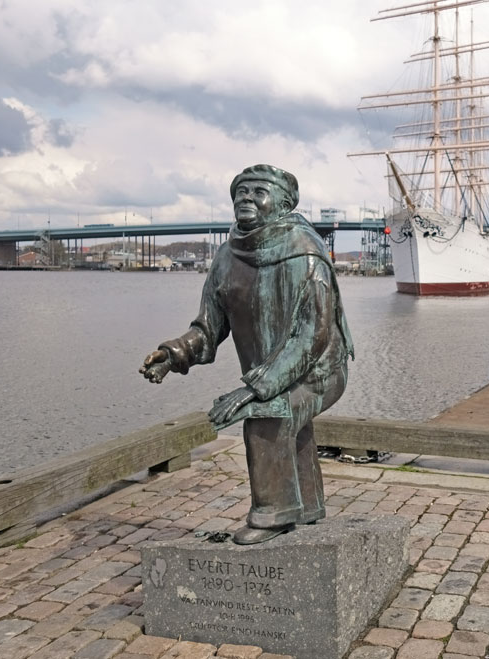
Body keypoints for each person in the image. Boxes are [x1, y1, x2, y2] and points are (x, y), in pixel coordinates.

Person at [140, 164, 353, 544]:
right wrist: (174, 354)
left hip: (318, 370)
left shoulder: (305, 252)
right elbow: (209, 327)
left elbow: (312, 336)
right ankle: (305, 504)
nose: (246, 198)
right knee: (286, 418)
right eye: (241, 191)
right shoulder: (227, 256)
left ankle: (273, 515)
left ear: (284, 205)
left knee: (266, 417)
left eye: (258, 192)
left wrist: (256, 388)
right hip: (270, 373)